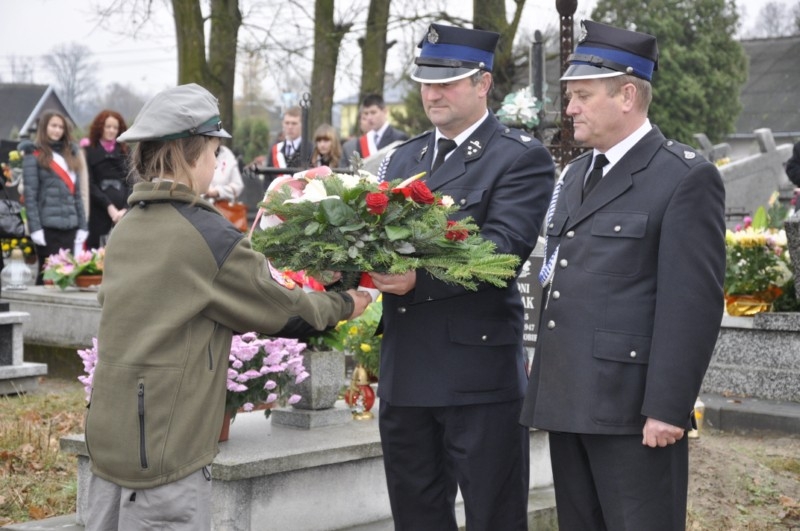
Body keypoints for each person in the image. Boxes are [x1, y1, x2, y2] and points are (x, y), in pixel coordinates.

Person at [82, 83, 371, 531]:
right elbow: (286, 310)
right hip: (166, 455)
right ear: (189, 155)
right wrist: (349, 301)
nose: (217, 163)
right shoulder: (206, 234)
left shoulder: (127, 227)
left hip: (111, 438)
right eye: (214, 152)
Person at [519, 20, 726, 531]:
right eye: (570, 96)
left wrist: (668, 408)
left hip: (632, 410)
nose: (570, 109)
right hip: (570, 400)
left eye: (582, 96)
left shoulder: (683, 177)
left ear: (627, 95)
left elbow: (691, 305)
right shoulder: (576, 174)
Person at [368, 23, 555, 531]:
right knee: (417, 516)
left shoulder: (519, 157)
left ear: (482, 83)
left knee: (494, 516)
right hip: (406, 370)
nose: (433, 94)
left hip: (478, 377)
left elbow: (503, 249)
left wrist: (418, 280)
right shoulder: (404, 157)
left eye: (447, 83)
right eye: (426, 83)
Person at [19, 110, 89, 284]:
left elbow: (77, 195)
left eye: (60, 127)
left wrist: (82, 226)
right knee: (47, 276)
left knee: (66, 277)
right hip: (47, 228)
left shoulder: (71, 154)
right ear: (44, 127)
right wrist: (35, 228)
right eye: (53, 126)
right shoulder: (33, 154)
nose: (57, 130)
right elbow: (30, 196)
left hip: (71, 226)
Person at [84, 109, 131, 249]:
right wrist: (109, 207)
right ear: (100, 127)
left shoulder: (126, 151)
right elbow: (90, 183)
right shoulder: (89, 151)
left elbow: (132, 181)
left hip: (123, 214)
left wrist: (125, 208)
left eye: (115, 128)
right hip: (98, 213)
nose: (112, 131)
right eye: (108, 127)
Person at [353, 93, 408, 161]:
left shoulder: (399, 138)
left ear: (385, 111)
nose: (369, 118)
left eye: (373, 112)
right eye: (366, 113)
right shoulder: (363, 141)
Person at [266, 106, 305, 174]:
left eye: (294, 123)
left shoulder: (310, 149)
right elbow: (268, 176)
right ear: (283, 124)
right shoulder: (275, 149)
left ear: (302, 125)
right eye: (287, 123)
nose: (290, 127)